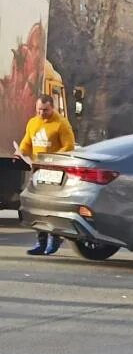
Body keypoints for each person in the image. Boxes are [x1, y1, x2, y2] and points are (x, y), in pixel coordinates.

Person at [16, 94, 76, 255]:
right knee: (38, 206)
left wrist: (51, 160)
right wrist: (20, 152)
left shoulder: (61, 124)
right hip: (37, 169)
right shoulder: (33, 122)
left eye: (45, 110)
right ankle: (40, 242)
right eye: (39, 110)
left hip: (55, 172)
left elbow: (69, 146)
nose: (42, 113)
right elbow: (27, 142)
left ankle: (54, 238)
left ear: (53, 108)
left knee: (52, 206)